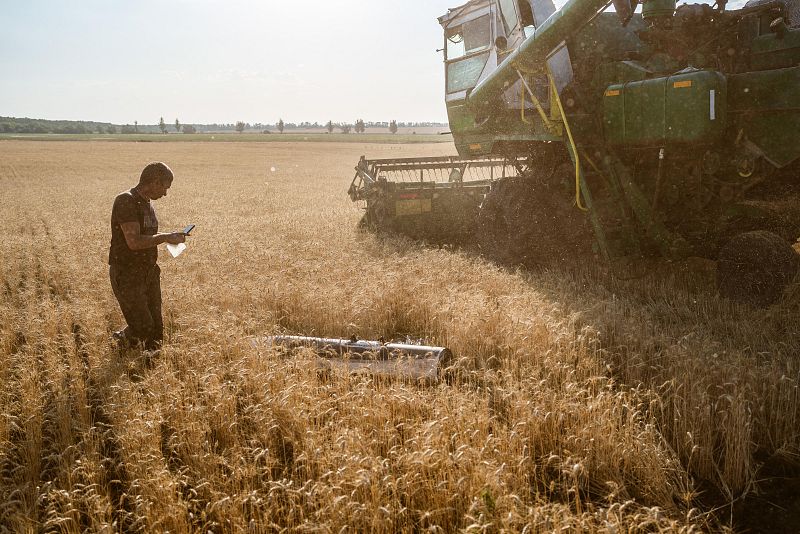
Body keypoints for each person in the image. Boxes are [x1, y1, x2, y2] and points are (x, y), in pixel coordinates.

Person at [108, 162, 187, 351]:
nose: (165, 194)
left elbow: (149, 238)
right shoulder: (125, 200)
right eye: (165, 188)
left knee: (157, 330)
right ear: (155, 182)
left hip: (149, 272)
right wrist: (166, 237)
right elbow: (134, 242)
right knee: (143, 326)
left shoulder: (147, 204)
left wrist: (171, 238)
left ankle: (150, 366)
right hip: (127, 273)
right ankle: (120, 342)